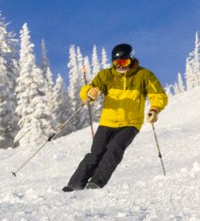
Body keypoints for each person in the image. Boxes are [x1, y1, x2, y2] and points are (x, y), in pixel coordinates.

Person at [63, 43, 167, 191]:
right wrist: (90, 92)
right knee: (95, 154)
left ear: (132, 60)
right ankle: (74, 184)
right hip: (108, 121)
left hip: (130, 123)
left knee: (114, 149)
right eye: (117, 63)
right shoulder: (106, 75)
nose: (120, 66)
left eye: (124, 62)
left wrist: (154, 110)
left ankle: (96, 182)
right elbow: (89, 90)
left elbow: (158, 95)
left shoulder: (144, 75)